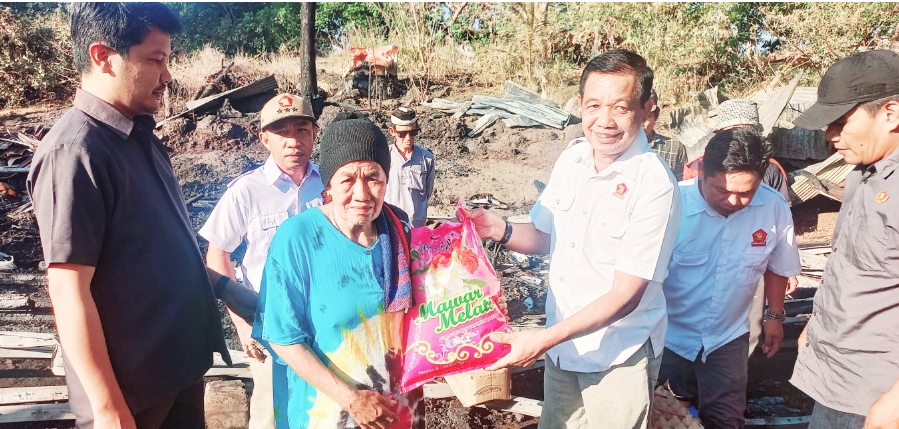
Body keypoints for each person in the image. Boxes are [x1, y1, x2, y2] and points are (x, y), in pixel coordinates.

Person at [26, 3, 254, 428]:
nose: (168, 75)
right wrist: (108, 409)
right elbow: (69, 290)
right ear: (102, 56)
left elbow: (162, 254)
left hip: (175, 373)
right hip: (130, 397)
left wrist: (230, 291)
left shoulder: (140, 138)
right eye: (155, 60)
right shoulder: (76, 154)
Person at [468, 49, 682, 428]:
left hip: (619, 353)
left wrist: (544, 338)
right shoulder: (573, 159)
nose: (605, 121)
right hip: (563, 349)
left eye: (620, 107)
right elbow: (546, 235)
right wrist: (497, 229)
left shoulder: (654, 184)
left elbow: (625, 296)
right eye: (595, 105)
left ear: (646, 109)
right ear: (580, 104)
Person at [252, 118, 424, 429]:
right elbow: (283, 337)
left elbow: (428, 313)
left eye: (373, 178)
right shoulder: (298, 237)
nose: (362, 194)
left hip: (399, 411)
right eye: (347, 180)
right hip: (327, 413)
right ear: (328, 184)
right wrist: (353, 400)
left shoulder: (401, 231)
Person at [658, 128, 801, 428]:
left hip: (727, 338)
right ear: (700, 173)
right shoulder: (670, 206)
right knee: (661, 414)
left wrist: (774, 315)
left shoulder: (773, 207)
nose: (734, 201)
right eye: (722, 191)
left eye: (746, 193)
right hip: (666, 336)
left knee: (726, 418)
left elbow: (777, 265)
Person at [198, 93, 323, 429]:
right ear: (264, 138)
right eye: (282, 132)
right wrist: (242, 323)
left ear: (315, 132)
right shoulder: (247, 191)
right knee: (271, 413)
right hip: (269, 326)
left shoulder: (330, 185)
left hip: (325, 322)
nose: (293, 140)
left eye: (301, 129)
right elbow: (217, 254)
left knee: (323, 411)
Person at [790, 50, 899, 429]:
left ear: (891, 113)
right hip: (840, 378)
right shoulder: (863, 174)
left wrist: (894, 403)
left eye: (841, 122)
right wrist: (815, 325)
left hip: (880, 392)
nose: (831, 136)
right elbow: (852, 266)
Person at [384, 107, 436, 227]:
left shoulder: (427, 158)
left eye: (412, 133)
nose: (408, 138)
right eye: (402, 134)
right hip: (389, 225)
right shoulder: (383, 156)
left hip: (416, 227)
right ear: (392, 131)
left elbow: (427, 193)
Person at [644, 89, 688, 181]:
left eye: (646, 117)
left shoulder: (674, 148)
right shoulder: (616, 147)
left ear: (656, 115)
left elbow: (680, 186)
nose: (641, 122)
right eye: (636, 117)